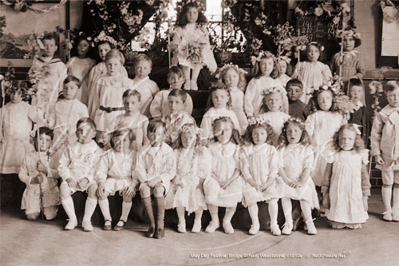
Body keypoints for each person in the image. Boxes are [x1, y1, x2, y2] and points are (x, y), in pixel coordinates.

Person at [0, 81, 45, 206]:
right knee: (13, 174)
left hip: (22, 144)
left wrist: (33, 131)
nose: (15, 96)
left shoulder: (27, 107)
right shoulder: (4, 108)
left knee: (23, 170)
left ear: (24, 94)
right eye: (13, 92)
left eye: (19, 93)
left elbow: (41, 122)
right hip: (9, 144)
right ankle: (15, 197)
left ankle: (24, 198)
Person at [58, 118, 103, 231]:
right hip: (72, 177)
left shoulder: (97, 150)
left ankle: (86, 220)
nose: (83, 134)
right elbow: (62, 164)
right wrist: (68, 177)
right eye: (80, 130)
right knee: (63, 189)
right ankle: (72, 218)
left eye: (87, 131)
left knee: (94, 188)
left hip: (87, 179)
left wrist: (87, 179)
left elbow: (97, 168)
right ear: (76, 132)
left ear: (93, 133)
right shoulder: (70, 147)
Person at [322, 124, 370, 229]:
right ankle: (338, 219)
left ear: (355, 140)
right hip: (337, 191)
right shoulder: (333, 155)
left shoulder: (359, 156)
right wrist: (325, 194)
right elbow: (327, 177)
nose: (346, 142)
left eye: (350, 139)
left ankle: (353, 220)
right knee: (339, 203)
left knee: (353, 202)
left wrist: (365, 197)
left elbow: (364, 179)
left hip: (354, 191)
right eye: (342, 138)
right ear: (337, 139)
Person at [165, 124, 210, 233]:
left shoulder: (201, 151)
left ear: (196, 138)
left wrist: (200, 181)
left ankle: (197, 221)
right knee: (180, 193)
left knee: (198, 194)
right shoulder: (176, 152)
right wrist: (176, 180)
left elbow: (204, 168)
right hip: (181, 179)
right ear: (180, 138)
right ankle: (181, 221)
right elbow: (172, 168)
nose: (187, 140)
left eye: (191, 138)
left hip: (195, 179)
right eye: (184, 138)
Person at [277, 118, 319, 235]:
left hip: (302, 179)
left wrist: (302, 181)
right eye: (289, 131)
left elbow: (307, 166)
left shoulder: (306, 149)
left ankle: (309, 221)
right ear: (285, 133)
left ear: (302, 133)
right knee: (284, 195)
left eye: (296, 131)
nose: (292, 134)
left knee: (303, 195)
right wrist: (285, 180)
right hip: (286, 179)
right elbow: (279, 166)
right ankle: (288, 222)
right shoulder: (282, 149)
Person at [136, 119, 176, 239]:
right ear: (147, 134)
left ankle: (160, 225)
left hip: (161, 180)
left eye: (159, 134)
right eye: (152, 133)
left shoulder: (168, 151)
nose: (155, 136)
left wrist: (159, 179)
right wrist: (147, 180)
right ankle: (152, 224)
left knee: (158, 191)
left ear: (164, 135)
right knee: (144, 190)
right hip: (147, 180)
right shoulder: (143, 150)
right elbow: (139, 169)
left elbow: (171, 171)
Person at [240, 117, 280, 235]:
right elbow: (244, 169)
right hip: (252, 181)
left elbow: (274, 168)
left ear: (267, 135)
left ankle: (274, 224)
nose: (259, 137)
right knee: (251, 197)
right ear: (250, 135)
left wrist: (267, 183)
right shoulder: (247, 150)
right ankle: (255, 223)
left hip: (267, 181)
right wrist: (253, 183)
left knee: (272, 199)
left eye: (262, 133)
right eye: (255, 134)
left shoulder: (271, 150)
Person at [203, 117, 243, 234]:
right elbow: (207, 167)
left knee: (234, 190)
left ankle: (227, 220)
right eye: (219, 130)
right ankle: (214, 220)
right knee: (211, 188)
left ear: (232, 131)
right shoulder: (211, 147)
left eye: (227, 129)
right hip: (215, 177)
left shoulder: (236, 148)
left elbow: (239, 167)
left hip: (231, 178)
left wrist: (230, 180)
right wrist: (216, 179)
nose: (223, 133)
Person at [305, 85, 346, 189]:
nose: (324, 101)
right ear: (316, 101)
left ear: (333, 99)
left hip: (333, 150)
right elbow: (307, 133)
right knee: (316, 175)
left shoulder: (338, 116)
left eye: (327, 98)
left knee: (332, 176)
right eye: (320, 99)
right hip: (318, 150)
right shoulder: (314, 116)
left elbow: (343, 132)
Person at [96, 129, 138, 231]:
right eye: (117, 140)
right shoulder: (108, 154)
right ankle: (107, 219)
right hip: (111, 179)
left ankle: (123, 219)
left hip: (127, 180)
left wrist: (133, 185)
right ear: (113, 141)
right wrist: (101, 183)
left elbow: (136, 172)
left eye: (125, 141)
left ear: (130, 142)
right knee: (102, 193)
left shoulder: (133, 155)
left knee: (127, 193)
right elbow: (101, 171)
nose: (121, 144)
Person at [170, 1, 217, 90]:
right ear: (185, 14)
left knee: (197, 57)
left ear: (198, 14)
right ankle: (187, 80)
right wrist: (179, 47)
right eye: (189, 13)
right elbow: (175, 42)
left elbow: (205, 41)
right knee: (185, 57)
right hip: (184, 50)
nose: (192, 15)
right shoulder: (181, 28)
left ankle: (193, 81)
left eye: (194, 13)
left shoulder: (200, 27)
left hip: (197, 51)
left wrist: (199, 47)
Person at [370, 81, 399, 222]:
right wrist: (376, 153)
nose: (396, 98)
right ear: (387, 96)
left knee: (398, 183)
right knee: (388, 182)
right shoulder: (382, 114)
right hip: (387, 155)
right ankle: (387, 210)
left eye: (398, 95)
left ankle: (396, 209)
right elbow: (375, 135)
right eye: (392, 95)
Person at [90, 49, 133, 138]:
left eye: (115, 64)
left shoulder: (127, 82)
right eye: (109, 64)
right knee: (103, 142)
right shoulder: (100, 81)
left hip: (120, 117)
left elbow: (130, 103)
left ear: (121, 65)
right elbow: (96, 103)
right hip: (103, 118)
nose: (112, 67)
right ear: (105, 64)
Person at [47, 76, 89, 169]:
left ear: (78, 90)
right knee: (57, 164)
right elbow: (52, 121)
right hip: (58, 139)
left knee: (71, 165)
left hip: (73, 140)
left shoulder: (81, 107)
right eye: (65, 88)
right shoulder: (57, 105)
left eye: (72, 88)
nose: (68, 91)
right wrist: (48, 122)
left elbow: (85, 126)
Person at [19, 127, 60, 221]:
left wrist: (46, 170)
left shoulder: (54, 156)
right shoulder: (28, 155)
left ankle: (48, 208)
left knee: (50, 216)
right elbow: (21, 174)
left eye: (47, 140)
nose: (43, 142)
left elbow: (59, 173)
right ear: (35, 140)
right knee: (31, 216)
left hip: (49, 190)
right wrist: (32, 180)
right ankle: (35, 207)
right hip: (33, 191)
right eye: (40, 139)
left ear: (51, 142)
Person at [28, 33, 67, 123]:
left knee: (51, 120)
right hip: (39, 97)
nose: (48, 48)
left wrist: (61, 97)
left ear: (55, 48)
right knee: (38, 119)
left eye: (51, 45)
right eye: (45, 45)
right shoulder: (37, 62)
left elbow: (63, 82)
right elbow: (31, 77)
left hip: (53, 98)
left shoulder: (60, 65)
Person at [87, 40, 128, 119]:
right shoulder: (96, 69)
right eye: (100, 51)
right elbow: (92, 90)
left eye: (106, 50)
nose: (103, 53)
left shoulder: (121, 69)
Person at [245, 51, 288, 118]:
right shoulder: (255, 81)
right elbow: (248, 98)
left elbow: (283, 98)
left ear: (274, 66)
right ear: (259, 65)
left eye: (270, 64)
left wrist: (285, 111)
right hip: (258, 114)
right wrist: (249, 114)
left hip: (274, 113)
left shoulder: (276, 81)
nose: (266, 67)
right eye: (263, 64)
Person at [218, 64, 248, 133]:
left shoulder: (240, 92)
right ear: (223, 79)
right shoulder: (224, 92)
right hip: (229, 114)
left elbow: (244, 106)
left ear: (239, 78)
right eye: (228, 77)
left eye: (234, 76)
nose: (231, 79)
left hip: (240, 115)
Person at [66, 36, 96, 105]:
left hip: (86, 90)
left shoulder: (92, 63)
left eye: (85, 45)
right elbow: (65, 74)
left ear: (89, 47)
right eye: (79, 45)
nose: (82, 48)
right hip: (73, 88)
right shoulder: (72, 61)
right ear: (76, 47)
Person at [348, 79, 370, 146]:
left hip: (360, 137)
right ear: (348, 92)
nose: (356, 93)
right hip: (349, 136)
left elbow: (367, 126)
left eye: (359, 91)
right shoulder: (346, 108)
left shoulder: (363, 109)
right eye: (352, 91)